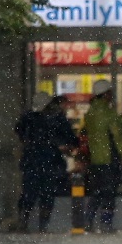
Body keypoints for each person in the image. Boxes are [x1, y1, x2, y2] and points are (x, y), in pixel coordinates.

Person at [15, 93, 75, 232]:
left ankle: (24, 221)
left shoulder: (28, 118)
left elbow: (19, 132)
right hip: (50, 162)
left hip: (32, 162)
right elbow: (69, 137)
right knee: (46, 196)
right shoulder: (56, 119)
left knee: (28, 194)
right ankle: (43, 225)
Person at [81, 80, 122, 233]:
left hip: (95, 158)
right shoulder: (109, 113)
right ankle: (106, 223)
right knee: (109, 191)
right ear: (106, 94)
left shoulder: (89, 114)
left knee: (97, 190)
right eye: (110, 93)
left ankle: (88, 220)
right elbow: (117, 136)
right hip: (109, 157)